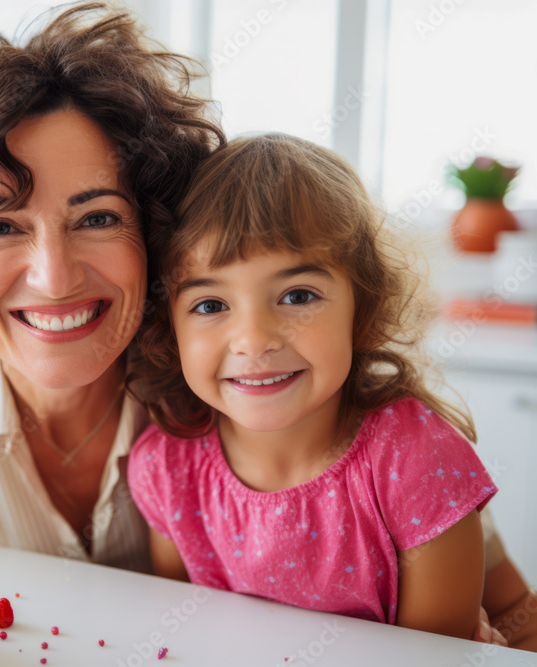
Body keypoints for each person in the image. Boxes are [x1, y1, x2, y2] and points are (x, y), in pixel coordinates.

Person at [0, 3, 530, 648]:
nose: (54, 276)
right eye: (0, 224)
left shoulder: (270, 398)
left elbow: (493, 594)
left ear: (151, 237)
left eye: (97, 217)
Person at [125, 133, 503, 640]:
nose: (254, 340)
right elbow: (179, 639)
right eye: (210, 305)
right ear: (171, 330)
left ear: (363, 311)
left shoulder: (417, 463)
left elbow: (432, 658)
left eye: (298, 295)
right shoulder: (167, 470)